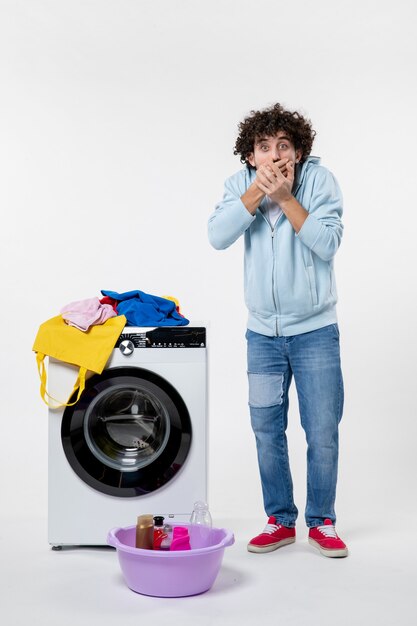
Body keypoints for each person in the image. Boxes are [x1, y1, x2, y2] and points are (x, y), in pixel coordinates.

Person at [208, 103, 348, 558]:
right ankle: (279, 520)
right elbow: (217, 236)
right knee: (267, 429)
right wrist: (256, 194)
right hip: (262, 336)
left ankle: (322, 522)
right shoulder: (238, 187)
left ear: (300, 151)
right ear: (251, 156)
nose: (273, 156)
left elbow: (327, 244)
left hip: (315, 333)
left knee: (322, 429)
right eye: (264, 148)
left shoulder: (319, 182)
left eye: (283, 146)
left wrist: (287, 197)